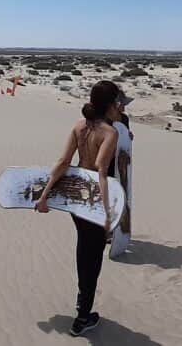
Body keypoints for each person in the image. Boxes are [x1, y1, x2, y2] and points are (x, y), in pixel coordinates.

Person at [35, 80, 124, 336]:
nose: (118, 106)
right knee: (92, 260)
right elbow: (101, 172)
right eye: (116, 102)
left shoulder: (78, 126)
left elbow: (63, 161)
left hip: (75, 200)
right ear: (109, 105)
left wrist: (45, 195)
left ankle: (81, 300)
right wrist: (107, 214)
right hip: (94, 202)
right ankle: (83, 317)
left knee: (83, 250)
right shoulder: (109, 133)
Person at [108, 94, 135, 257]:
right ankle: (107, 230)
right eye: (122, 104)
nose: (124, 107)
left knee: (121, 193)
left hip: (122, 160)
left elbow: (124, 134)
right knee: (109, 195)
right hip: (108, 160)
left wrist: (129, 136)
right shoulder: (105, 119)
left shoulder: (124, 118)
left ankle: (117, 228)